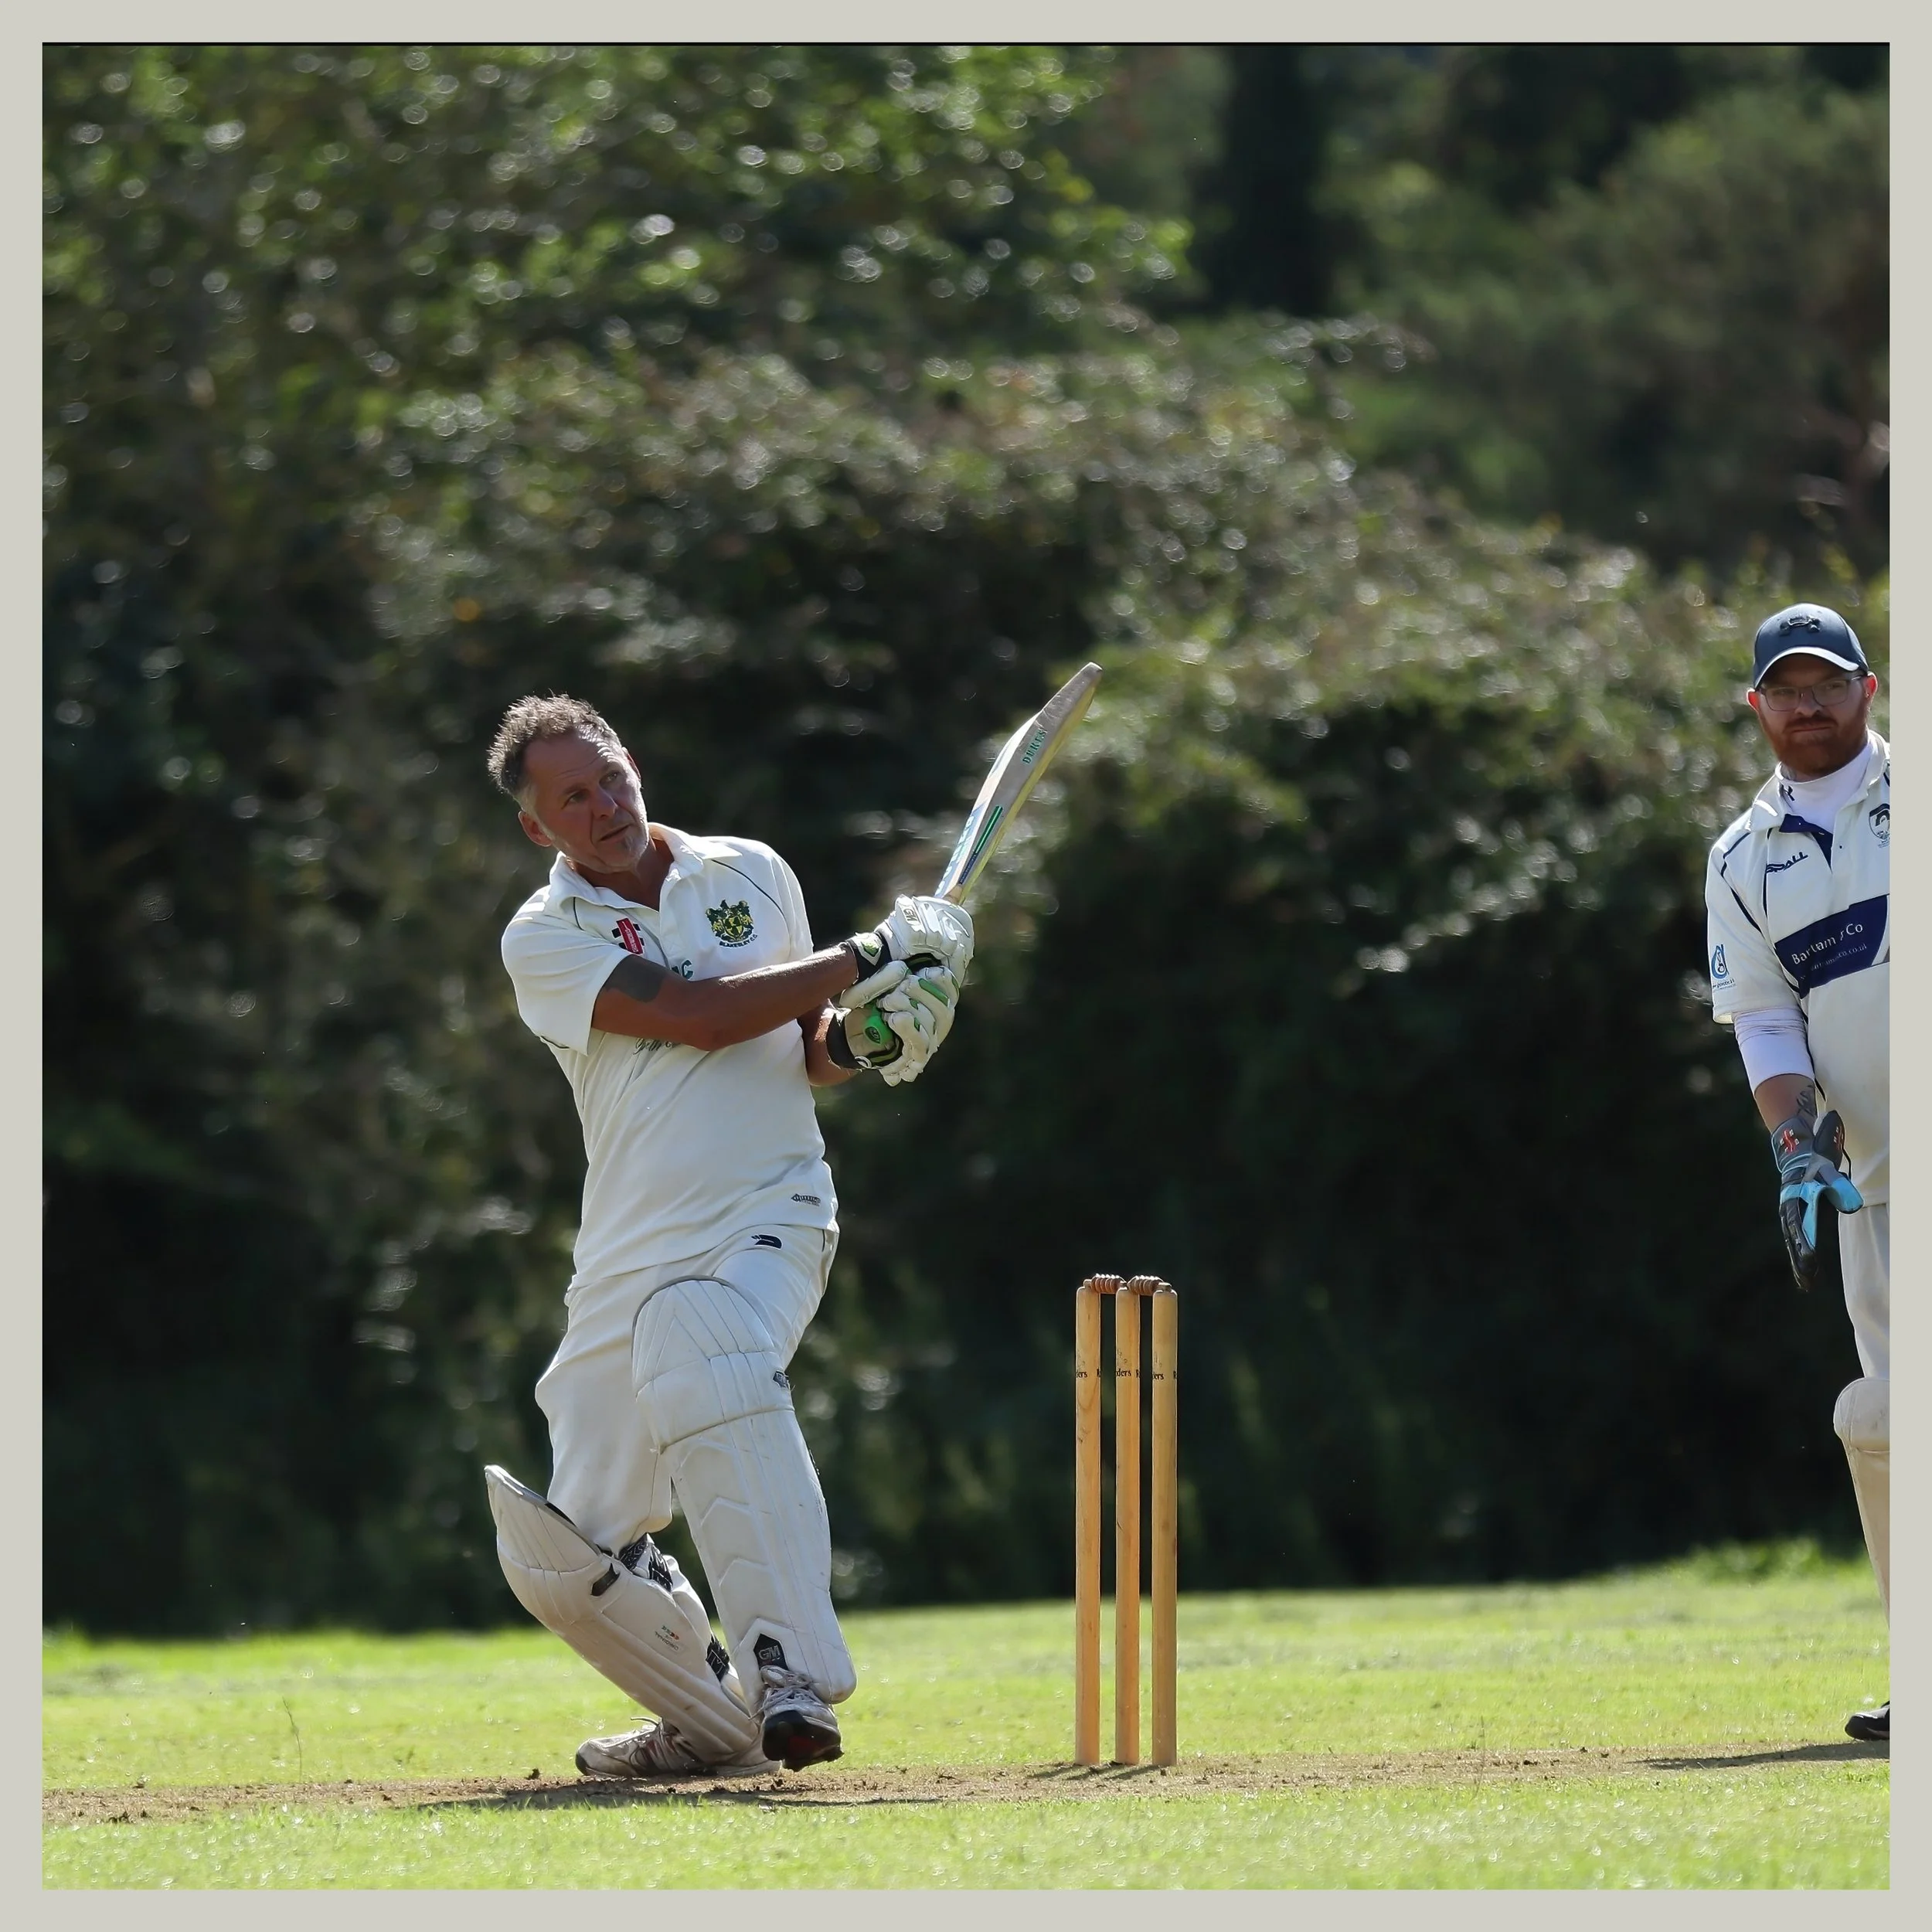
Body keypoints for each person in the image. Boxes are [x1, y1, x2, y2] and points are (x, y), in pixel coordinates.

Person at [479, 693, 972, 1778]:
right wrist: (875, 951)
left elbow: (804, 1051)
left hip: (769, 1215)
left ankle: (789, 1678)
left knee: (707, 1344)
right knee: (568, 1557)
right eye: (572, 797)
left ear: (632, 763)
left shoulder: (751, 869)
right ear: (538, 828)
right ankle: (709, 1729)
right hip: (624, 1252)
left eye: (609, 776)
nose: (603, 805)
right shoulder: (543, 935)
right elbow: (701, 1017)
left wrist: (875, 1038)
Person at [1703, 603, 1889, 1744]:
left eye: (1829, 682)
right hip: (1875, 1186)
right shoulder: (1741, 856)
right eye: (1790, 687)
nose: (1810, 703)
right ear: (1758, 705)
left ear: (1870, 687)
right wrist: (1795, 1144)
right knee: (1879, 1419)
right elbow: (1767, 1024)